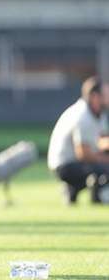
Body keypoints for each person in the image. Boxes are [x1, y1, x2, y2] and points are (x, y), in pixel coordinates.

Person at [47, 76, 109, 204]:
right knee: (104, 167)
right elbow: (83, 154)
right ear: (94, 97)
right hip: (64, 165)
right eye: (106, 94)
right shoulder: (83, 116)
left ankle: (73, 189)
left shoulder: (99, 113)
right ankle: (95, 192)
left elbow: (102, 142)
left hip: (74, 162)